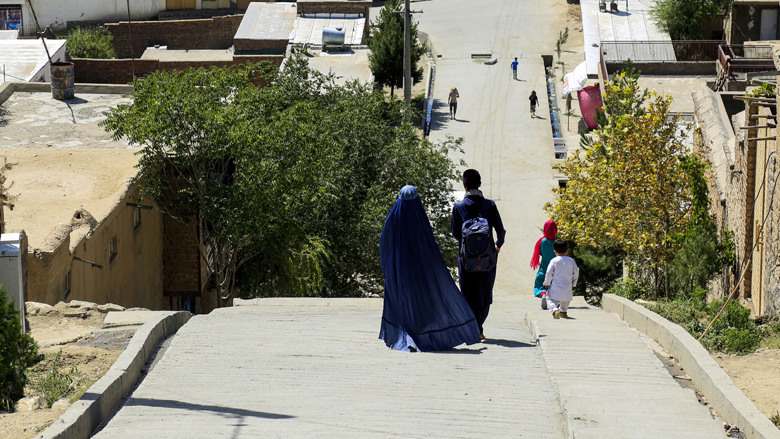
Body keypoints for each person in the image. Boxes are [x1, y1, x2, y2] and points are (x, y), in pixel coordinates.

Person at [379, 185, 481, 352]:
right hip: (421, 268)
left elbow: (384, 243)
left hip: (402, 270)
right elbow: (429, 242)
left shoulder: (394, 217)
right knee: (423, 300)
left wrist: (390, 267)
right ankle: (425, 336)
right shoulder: (419, 216)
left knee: (407, 302)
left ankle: (409, 336)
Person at [451, 169, 506, 340]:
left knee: (468, 292)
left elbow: (455, 233)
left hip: (466, 258)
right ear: (480, 184)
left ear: (464, 185)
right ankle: (479, 328)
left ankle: (472, 328)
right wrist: (497, 245)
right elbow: (500, 231)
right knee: (484, 292)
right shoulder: (490, 205)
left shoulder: (458, 207)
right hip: (487, 257)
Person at [543, 239, 579, 319]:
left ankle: (555, 310)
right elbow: (576, 272)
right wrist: (574, 283)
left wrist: (547, 282)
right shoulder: (571, 261)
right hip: (567, 286)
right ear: (567, 250)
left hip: (556, 285)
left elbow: (549, 272)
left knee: (550, 298)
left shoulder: (554, 261)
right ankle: (563, 312)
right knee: (565, 300)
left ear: (554, 251)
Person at [530, 219, 558, 310]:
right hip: (556, 268)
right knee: (555, 283)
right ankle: (555, 300)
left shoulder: (542, 241)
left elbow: (540, 253)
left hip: (544, 266)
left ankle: (543, 294)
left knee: (541, 284)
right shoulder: (558, 242)